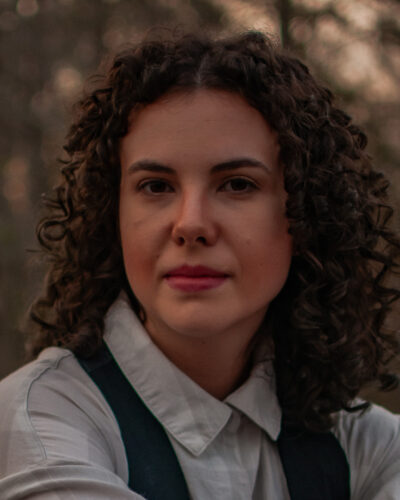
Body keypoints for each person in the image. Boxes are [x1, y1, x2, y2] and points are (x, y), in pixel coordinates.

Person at [0, 30, 399, 499]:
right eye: (156, 186)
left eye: (236, 185)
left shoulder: (364, 447)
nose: (190, 224)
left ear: (309, 214)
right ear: (114, 215)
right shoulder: (39, 423)